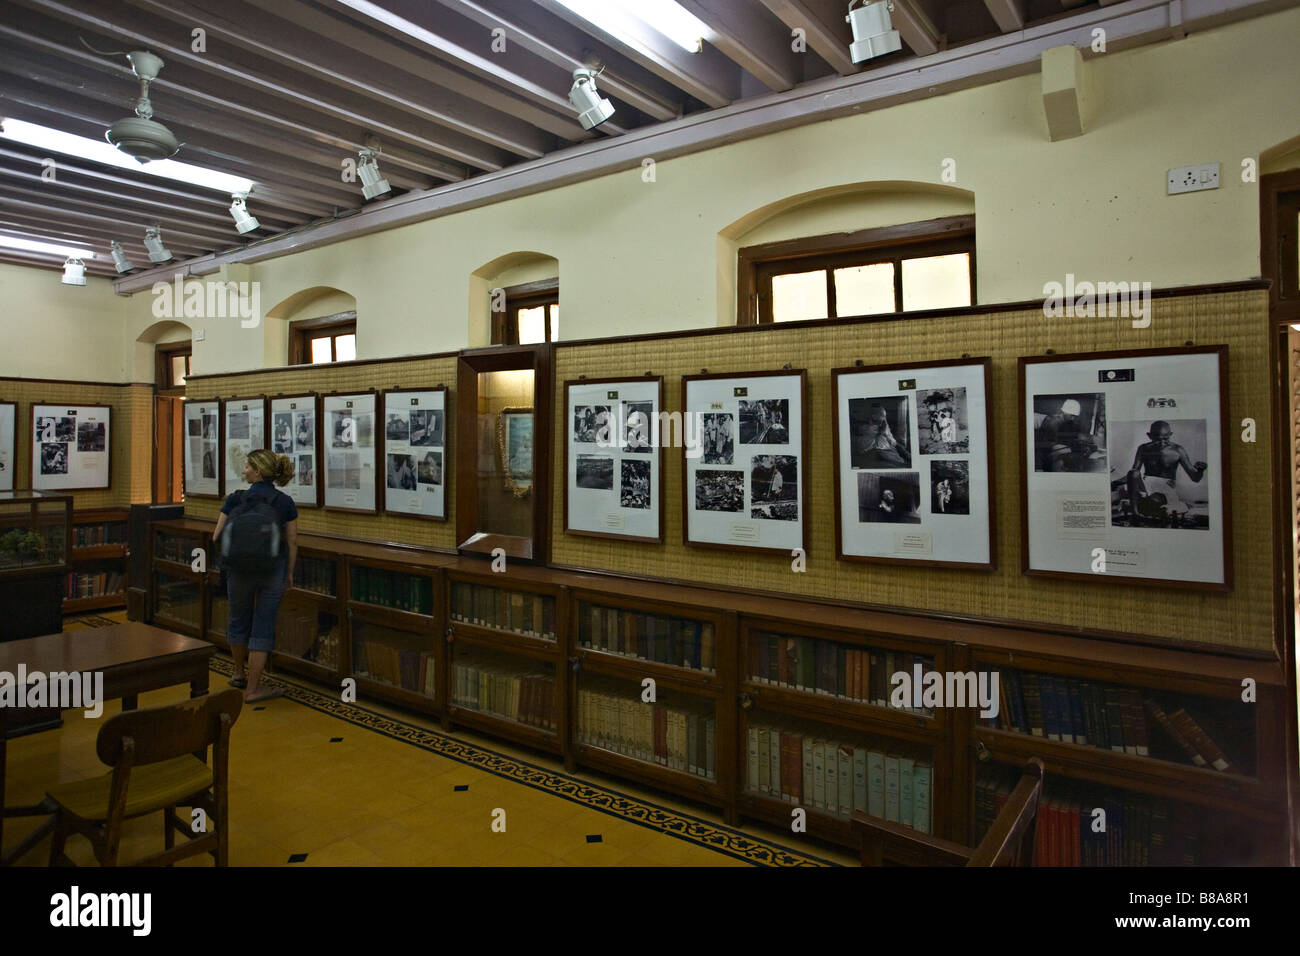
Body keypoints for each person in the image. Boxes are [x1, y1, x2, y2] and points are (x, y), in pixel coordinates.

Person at [213, 449, 298, 702]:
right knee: (263, 626)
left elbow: (216, 536)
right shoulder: (283, 502)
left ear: (258, 471)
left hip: (238, 569)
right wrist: (290, 572)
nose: (244, 470)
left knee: (238, 619)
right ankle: (253, 689)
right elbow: (292, 541)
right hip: (273, 570)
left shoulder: (235, 499)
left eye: (248, 466)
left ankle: (238, 674)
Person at [1126, 420, 1207, 524]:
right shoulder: (1143, 448)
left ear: (1170, 435)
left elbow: (1195, 478)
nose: (1162, 442)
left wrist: (1200, 470)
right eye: (1157, 439)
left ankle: (1144, 504)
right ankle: (1135, 514)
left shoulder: (1178, 450)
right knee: (1133, 473)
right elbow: (1134, 472)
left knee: (1154, 501)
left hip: (1165, 488)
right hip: (1146, 485)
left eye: (1165, 439)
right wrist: (1117, 482)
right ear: (1149, 435)